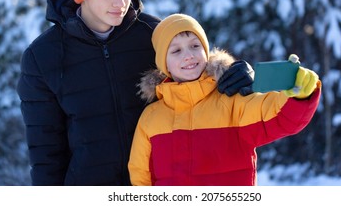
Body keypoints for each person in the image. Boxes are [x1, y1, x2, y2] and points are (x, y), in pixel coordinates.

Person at [16, 0, 254, 186]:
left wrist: (231, 71)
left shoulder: (153, 34)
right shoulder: (43, 57)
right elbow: (45, 151)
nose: (120, 3)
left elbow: (196, 78)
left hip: (160, 183)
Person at [128, 13, 322, 186]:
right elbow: (140, 176)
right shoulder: (151, 118)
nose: (188, 55)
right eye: (176, 51)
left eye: (195, 46)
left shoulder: (232, 100)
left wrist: (299, 95)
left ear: (206, 51)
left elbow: (274, 115)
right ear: (164, 64)